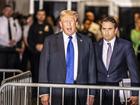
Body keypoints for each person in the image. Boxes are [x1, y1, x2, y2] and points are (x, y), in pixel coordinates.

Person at [39, 10, 96, 105]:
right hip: (56, 91)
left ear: (76, 23)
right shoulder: (50, 41)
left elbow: (91, 69)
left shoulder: (87, 42)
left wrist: (92, 93)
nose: (69, 24)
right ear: (61, 24)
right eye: (65, 21)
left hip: (80, 92)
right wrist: (44, 91)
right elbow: (43, 68)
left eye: (72, 21)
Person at [94, 16, 140, 105]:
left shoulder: (125, 46)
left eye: (110, 29)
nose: (106, 32)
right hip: (99, 93)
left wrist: (135, 93)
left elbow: (133, 71)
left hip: (119, 93)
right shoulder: (94, 46)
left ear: (115, 30)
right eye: (104, 29)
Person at [28, 9, 53, 83]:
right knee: (35, 72)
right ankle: (35, 92)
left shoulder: (49, 26)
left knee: (46, 72)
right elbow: (30, 39)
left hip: (46, 54)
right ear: (36, 16)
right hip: (35, 54)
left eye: (43, 14)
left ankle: (45, 91)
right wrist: (35, 46)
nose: (41, 16)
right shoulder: (33, 26)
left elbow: (52, 39)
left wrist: (44, 46)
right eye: (39, 14)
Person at [0, 5, 22, 69]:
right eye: (7, 10)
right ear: (3, 11)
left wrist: (15, 40)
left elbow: (19, 32)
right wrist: (7, 41)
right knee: (2, 67)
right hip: (2, 49)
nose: (9, 12)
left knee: (11, 67)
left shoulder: (15, 21)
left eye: (10, 11)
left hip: (13, 49)